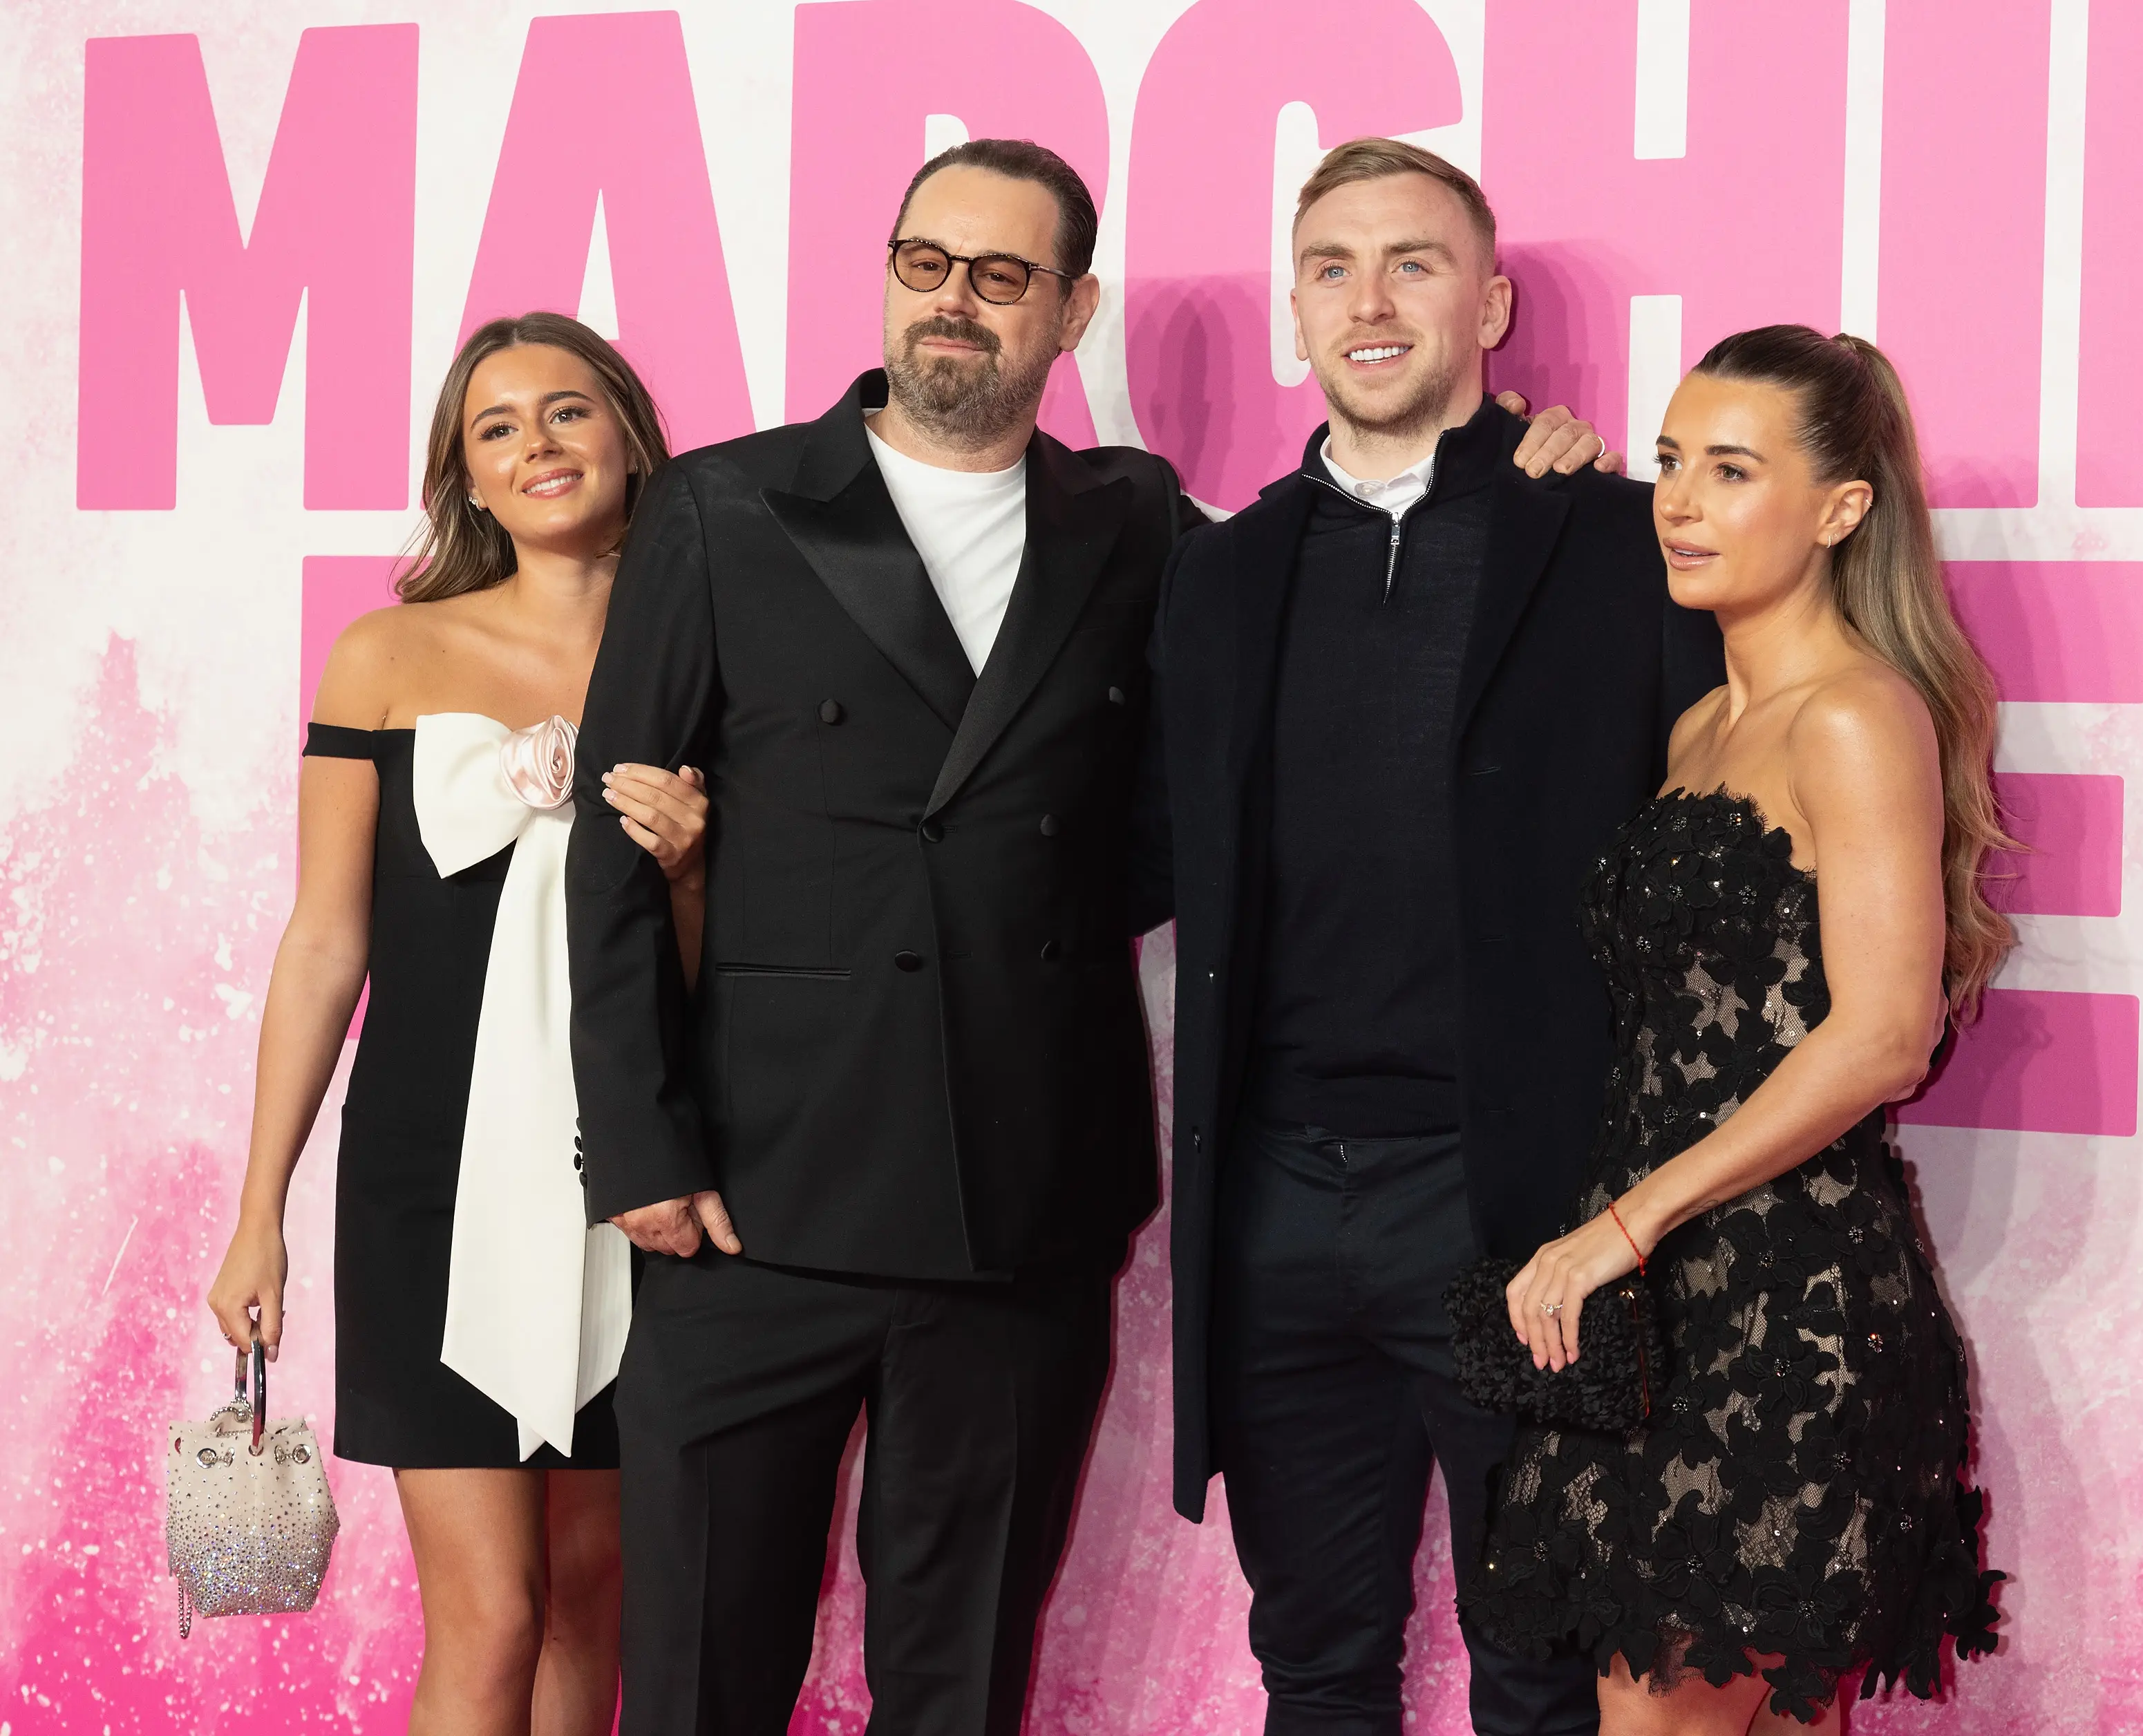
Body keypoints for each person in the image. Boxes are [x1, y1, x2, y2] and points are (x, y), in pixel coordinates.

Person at [567, 135, 1609, 1736]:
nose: (954, 307)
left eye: (1001, 276)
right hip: (750, 1195)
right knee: (700, 1670)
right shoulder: (723, 505)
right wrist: (641, 1141)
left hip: (1017, 1200)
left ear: (1072, 309)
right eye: (927, 264)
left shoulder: (1149, 532)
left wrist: (1533, 473)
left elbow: (1162, 830)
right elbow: (620, 833)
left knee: (959, 1677)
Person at [1131, 138, 1728, 1736]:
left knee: (1545, 1665)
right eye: (1330, 265)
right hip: (1272, 1200)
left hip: (1515, 1204)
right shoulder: (1221, 569)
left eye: (1412, 261)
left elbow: (1714, 859)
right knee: (1315, 1660)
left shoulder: (1611, 537)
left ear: (1490, 303)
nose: (1368, 299)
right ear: (1296, 310)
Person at [1464, 326, 2011, 1732]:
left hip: (1789, 1300)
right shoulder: (1704, 722)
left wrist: (1620, 1226)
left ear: (1839, 509)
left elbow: (1883, 1035)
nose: (1680, 500)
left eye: (1728, 467)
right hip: (1665, 1313)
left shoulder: (1854, 717)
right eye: (1665, 462)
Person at [206, 311, 711, 1734]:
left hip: (641, 1170)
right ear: (466, 479)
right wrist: (262, 1210)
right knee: (489, 1615)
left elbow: (734, 961)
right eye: (498, 427)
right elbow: (325, 942)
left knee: (594, 1590)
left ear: (625, 433)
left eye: (567, 411)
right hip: (428, 1177)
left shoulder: (708, 653)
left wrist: (689, 865)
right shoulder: (385, 655)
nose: (538, 445)